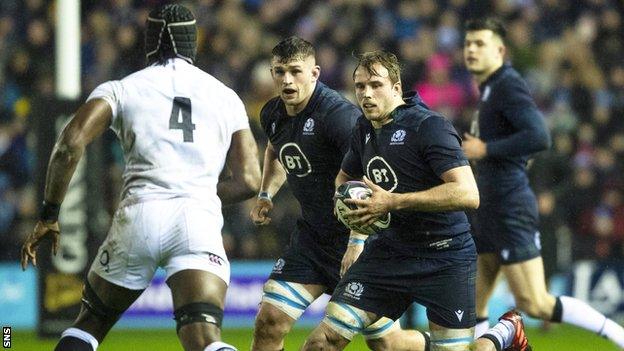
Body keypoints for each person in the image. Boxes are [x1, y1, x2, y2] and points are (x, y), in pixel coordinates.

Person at [20, 4, 261, 351]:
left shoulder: (122, 88)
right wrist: (198, 190)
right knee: (205, 339)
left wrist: (49, 214)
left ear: (151, 41)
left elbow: (69, 144)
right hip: (198, 219)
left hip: (141, 214)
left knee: (90, 324)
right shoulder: (226, 97)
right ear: (193, 41)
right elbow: (251, 180)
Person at [301, 50, 530, 351]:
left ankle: (504, 331)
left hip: (444, 255)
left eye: (375, 85)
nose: (366, 94)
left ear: (396, 88)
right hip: (389, 252)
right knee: (324, 341)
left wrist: (393, 202)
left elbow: (467, 194)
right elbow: (345, 180)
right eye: (360, 87)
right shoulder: (363, 129)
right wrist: (357, 238)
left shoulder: (429, 127)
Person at [250, 36, 427, 351]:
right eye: (279, 72)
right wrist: (266, 193)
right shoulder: (273, 113)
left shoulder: (337, 116)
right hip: (312, 241)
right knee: (268, 322)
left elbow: (366, 173)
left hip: (361, 246)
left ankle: (454, 347)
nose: (287, 80)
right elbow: (276, 151)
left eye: (296, 71)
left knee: (388, 345)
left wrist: (357, 241)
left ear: (315, 73)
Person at [462, 17, 624, 349]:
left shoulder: (507, 84)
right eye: (468, 44)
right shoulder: (490, 89)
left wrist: (486, 148)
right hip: (488, 206)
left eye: (480, 43)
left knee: (537, 303)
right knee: (472, 301)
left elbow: (539, 135)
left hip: (509, 206)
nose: (471, 50)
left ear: (500, 50)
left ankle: (616, 333)